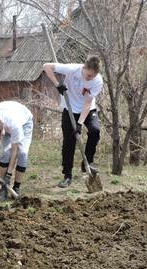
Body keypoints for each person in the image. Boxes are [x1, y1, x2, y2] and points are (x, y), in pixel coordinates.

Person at [43, 56, 103, 188]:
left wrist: (80, 123)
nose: (90, 78)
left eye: (93, 76)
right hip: (69, 108)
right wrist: (58, 84)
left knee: (95, 131)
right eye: (88, 75)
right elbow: (46, 66)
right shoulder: (72, 69)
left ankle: (87, 162)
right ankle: (67, 175)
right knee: (69, 143)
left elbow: (87, 103)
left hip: (87, 110)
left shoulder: (97, 81)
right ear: (84, 68)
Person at [0, 101, 33, 200]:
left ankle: (16, 188)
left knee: (23, 153)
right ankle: (4, 187)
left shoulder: (14, 124)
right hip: (7, 121)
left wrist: (9, 174)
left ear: (3, 126)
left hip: (24, 123)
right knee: (5, 153)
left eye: (1, 135)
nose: (0, 138)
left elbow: (14, 152)